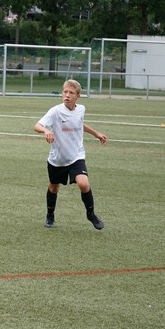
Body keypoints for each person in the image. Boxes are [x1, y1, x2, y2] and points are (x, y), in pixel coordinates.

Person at [34, 79, 107, 229]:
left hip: (76, 156)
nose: (67, 95)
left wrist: (96, 134)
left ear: (77, 96)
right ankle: (50, 216)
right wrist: (46, 130)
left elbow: (79, 123)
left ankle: (91, 214)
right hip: (58, 159)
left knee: (84, 184)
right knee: (54, 187)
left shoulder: (81, 109)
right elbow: (37, 125)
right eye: (65, 92)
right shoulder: (55, 111)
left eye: (71, 93)